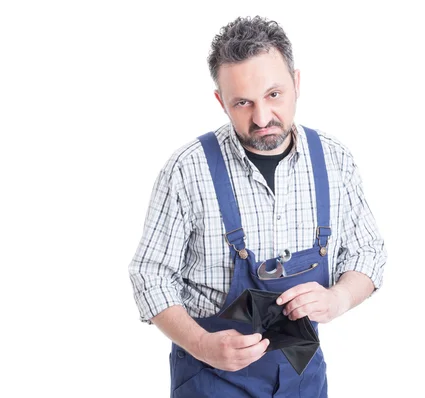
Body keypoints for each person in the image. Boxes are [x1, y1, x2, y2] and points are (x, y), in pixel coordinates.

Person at [128, 15, 387, 397]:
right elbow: (149, 275)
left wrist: (338, 298)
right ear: (221, 102)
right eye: (243, 102)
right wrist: (202, 345)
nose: (262, 117)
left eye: (274, 95)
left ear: (296, 84)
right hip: (210, 378)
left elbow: (368, 253)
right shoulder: (187, 170)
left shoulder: (335, 161)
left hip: (302, 380)